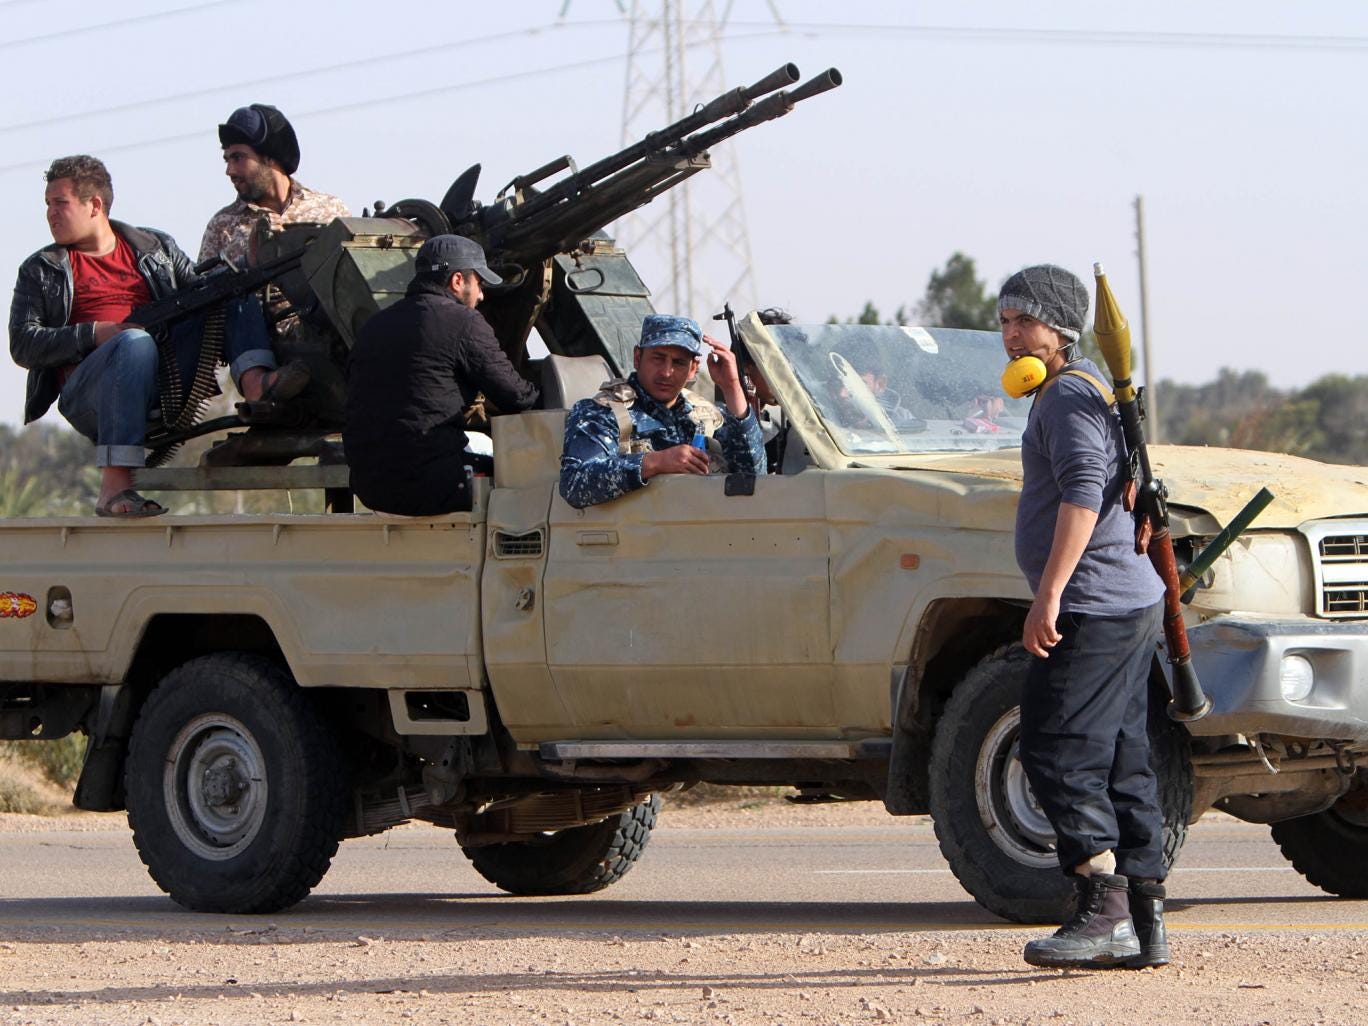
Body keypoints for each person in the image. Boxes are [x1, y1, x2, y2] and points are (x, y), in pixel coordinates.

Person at [1000, 264, 1169, 971]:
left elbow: (1081, 496)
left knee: (1054, 745)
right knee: (1123, 756)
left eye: (1022, 322)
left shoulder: (1067, 396)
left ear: (1059, 329)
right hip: (1129, 602)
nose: (1010, 336)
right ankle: (1145, 920)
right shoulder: (1091, 389)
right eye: (1004, 323)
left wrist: (1049, 595)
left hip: (1093, 605)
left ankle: (1103, 909)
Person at [8, 155, 305, 518]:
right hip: (89, 393)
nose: (50, 214)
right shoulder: (41, 269)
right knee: (133, 343)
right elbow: (23, 344)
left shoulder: (155, 249)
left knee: (229, 289)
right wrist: (94, 334)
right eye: (48, 205)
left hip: (161, 375)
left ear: (95, 205)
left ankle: (258, 384)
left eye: (60, 203)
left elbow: (199, 294)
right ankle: (114, 488)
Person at [343, 234, 539, 516]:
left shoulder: (374, 326)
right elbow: (516, 398)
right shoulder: (464, 321)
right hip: (434, 484)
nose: (482, 295)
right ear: (458, 281)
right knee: (526, 469)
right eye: (479, 283)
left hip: (371, 488)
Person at [559, 313, 765, 508]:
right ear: (638, 358)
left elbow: (756, 480)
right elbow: (575, 484)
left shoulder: (707, 417)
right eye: (658, 358)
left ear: (693, 368)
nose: (667, 372)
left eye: (678, 362)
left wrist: (732, 388)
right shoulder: (603, 413)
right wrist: (655, 462)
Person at [198, 103, 350, 266]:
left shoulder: (330, 210)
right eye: (227, 160)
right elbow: (201, 288)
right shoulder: (222, 225)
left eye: (238, 158)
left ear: (269, 157)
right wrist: (249, 262)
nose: (230, 171)